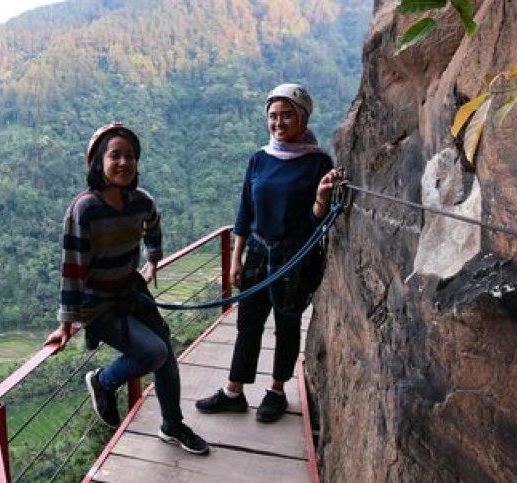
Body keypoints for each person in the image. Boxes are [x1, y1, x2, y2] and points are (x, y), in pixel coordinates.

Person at [45, 123, 210, 455]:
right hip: (98, 304)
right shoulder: (85, 208)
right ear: (99, 162)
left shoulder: (140, 200)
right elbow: (73, 267)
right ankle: (103, 381)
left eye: (130, 156)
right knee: (154, 352)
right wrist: (66, 324)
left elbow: (153, 223)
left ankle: (172, 425)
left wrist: (153, 259)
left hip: (132, 292)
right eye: (115, 155)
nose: (124, 162)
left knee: (166, 357)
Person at [195, 84, 344, 423]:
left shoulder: (318, 162)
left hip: (294, 257)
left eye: (287, 115)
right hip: (258, 253)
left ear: (303, 119)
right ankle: (234, 391)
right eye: (273, 116)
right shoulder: (259, 159)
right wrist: (236, 258)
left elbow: (316, 221)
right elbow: (245, 211)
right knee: (248, 322)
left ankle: (276, 390)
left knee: (286, 323)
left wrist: (321, 199)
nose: (278, 123)